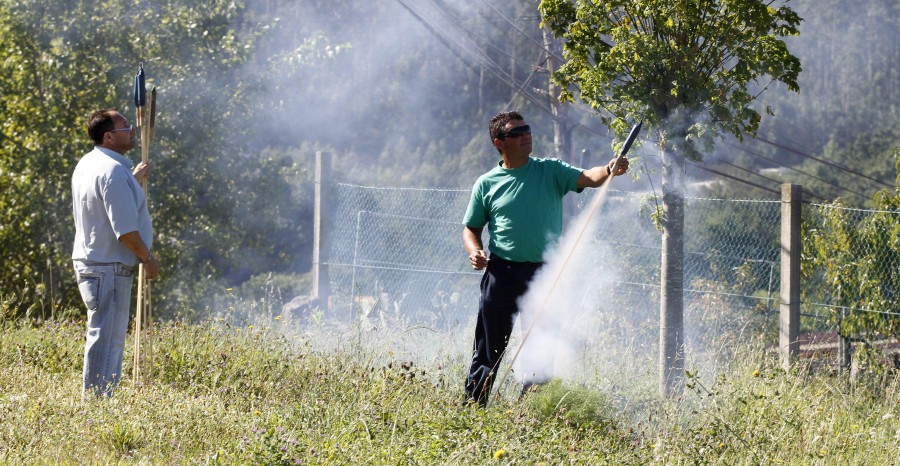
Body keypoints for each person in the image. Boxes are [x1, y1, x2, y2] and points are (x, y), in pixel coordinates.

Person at [462, 110, 629, 406]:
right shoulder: (486, 184)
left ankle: (530, 414)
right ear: (499, 143)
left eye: (527, 129)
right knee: (488, 349)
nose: (526, 135)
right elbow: (471, 229)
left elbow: (588, 178)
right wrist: (475, 251)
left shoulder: (550, 170)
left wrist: (609, 168)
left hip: (544, 275)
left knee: (542, 348)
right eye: (517, 133)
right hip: (501, 273)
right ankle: (472, 410)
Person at [72, 109, 160, 397]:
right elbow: (125, 231)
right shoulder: (113, 172)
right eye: (125, 126)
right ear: (109, 136)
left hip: (93, 262)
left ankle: (99, 401)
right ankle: (97, 405)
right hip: (109, 266)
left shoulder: (89, 164)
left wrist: (131, 180)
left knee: (104, 335)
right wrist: (147, 260)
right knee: (107, 339)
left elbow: (103, 201)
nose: (132, 130)